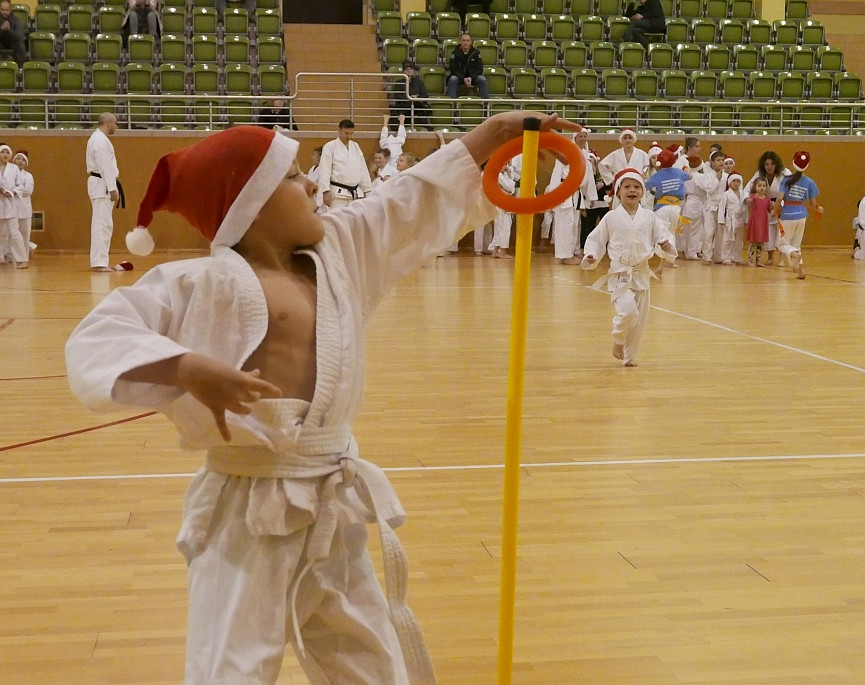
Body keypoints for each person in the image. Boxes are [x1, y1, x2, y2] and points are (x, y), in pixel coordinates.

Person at [65, 111, 571, 685]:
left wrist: (494, 136)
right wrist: (185, 366)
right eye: (293, 176)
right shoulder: (199, 284)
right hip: (245, 510)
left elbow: (407, 200)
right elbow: (97, 336)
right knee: (230, 665)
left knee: (368, 656)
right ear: (247, 204)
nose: (314, 184)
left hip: (335, 497)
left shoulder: (341, 253)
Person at [581, 168, 673, 367]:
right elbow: (597, 239)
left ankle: (629, 357)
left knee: (638, 322)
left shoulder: (649, 217)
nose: (632, 190)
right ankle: (617, 339)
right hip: (620, 273)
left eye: (637, 187)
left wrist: (665, 244)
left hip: (641, 273)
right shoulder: (611, 217)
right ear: (618, 191)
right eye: (627, 187)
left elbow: (662, 235)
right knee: (629, 312)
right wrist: (592, 255)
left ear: (643, 191)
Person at [545, 129, 598, 265]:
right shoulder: (565, 153)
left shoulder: (586, 155)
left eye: (585, 136)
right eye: (580, 136)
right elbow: (556, 175)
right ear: (575, 137)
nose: (583, 139)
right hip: (564, 192)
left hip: (577, 193)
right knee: (565, 224)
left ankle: (571, 252)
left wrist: (590, 197)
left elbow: (589, 178)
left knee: (575, 224)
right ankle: (564, 255)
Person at [775, 150, 822, 280]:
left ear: (793, 163)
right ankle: (801, 271)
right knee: (796, 244)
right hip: (802, 215)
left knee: (782, 244)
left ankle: (794, 256)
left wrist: (774, 210)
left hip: (788, 214)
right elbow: (813, 204)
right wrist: (819, 209)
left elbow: (779, 199)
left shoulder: (787, 180)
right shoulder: (810, 182)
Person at [86, 112, 122, 272]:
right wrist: (112, 188)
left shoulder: (99, 139)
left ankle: (100, 261)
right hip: (102, 184)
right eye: (115, 123)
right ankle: (99, 262)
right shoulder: (100, 141)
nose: (116, 126)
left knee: (104, 224)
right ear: (108, 123)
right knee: (102, 225)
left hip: (101, 183)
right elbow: (104, 165)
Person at [744, 151, 789, 266]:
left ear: (777, 164)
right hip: (765, 205)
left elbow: (790, 192)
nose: (769, 167)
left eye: (772, 164)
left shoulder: (785, 173)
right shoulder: (759, 174)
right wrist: (747, 199)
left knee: (781, 233)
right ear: (763, 165)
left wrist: (780, 203)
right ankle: (770, 257)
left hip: (782, 204)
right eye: (767, 164)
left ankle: (782, 258)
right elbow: (747, 188)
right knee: (768, 231)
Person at [317, 119, 372, 210]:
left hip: (354, 195)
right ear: (339, 130)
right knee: (336, 222)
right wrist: (325, 191)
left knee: (353, 223)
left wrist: (368, 191)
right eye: (346, 133)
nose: (349, 136)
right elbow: (324, 170)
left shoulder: (355, 146)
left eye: (351, 133)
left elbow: (363, 170)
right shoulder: (330, 146)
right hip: (337, 195)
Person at [0, 143, 26, 268]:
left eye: (7, 152)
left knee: (15, 232)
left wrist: (11, 192)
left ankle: (22, 259)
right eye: (3, 152)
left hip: (10, 203)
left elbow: (20, 185)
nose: (5, 155)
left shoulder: (14, 168)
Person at [446, 33, 488, 99]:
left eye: (467, 40)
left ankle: (486, 104)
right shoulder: (455, 53)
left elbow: (479, 69)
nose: (465, 42)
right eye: (463, 40)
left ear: (471, 42)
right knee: (453, 79)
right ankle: (451, 103)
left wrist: (471, 78)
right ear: (460, 42)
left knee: (482, 79)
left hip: (473, 78)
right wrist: (463, 78)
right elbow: (453, 69)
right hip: (459, 78)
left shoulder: (476, 53)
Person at [390, 62, 430, 129]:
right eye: (407, 69)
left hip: (417, 107)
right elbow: (397, 96)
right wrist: (410, 97)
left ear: (414, 71)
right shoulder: (398, 83)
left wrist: (417, 97)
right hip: (404, 107)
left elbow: (425, 95)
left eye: (411, 69)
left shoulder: (419, 82)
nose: (409, 70)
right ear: (403, 71)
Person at [0, 0, 27, 66]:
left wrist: (9, 30)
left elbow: (19, 36)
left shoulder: (15, 20)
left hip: (12, 43)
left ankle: (21, 67)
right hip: (0, 43)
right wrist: (1, 30)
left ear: (10, 10)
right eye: (3, 10)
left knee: (21, 44)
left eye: (7, 10)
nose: (5, 12)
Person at [717, 172, 744, 266]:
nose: (736, 183)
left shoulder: (743, 194)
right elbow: (721, 208)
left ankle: (737, 257)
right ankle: (726, 257)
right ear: (729, 182)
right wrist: (721, 220)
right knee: (727, 239)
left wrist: (746, 219)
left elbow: (745, 207)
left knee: (739, 240)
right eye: (734, 181)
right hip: (730, 219)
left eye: (738, 181)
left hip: (740, 219)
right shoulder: (726, 194)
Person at [745, 177, 772, 266]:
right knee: (753, 242)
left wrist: (773, 206)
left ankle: (758, 260)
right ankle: (750, 260)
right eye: (759, 185)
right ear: (755, 187)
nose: (762, 188)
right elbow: (749, 203)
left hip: (763, 222)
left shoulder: (767, 199)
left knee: (761, 243)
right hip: (755, 222)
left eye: (764, 186)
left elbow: (769, 210)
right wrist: (752, 199)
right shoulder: (753, 197)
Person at [13, 150, 35, 258]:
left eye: (23, 160)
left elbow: (28, 190)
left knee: (24, 234)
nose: (20, 161)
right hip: (11, 208)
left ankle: (24, 256)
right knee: (11, 234)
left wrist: (14, 191)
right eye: (18, 159)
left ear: (26, 163)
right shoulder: (9, 173)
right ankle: (11, 256)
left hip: (24, 208)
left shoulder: (28, 176)